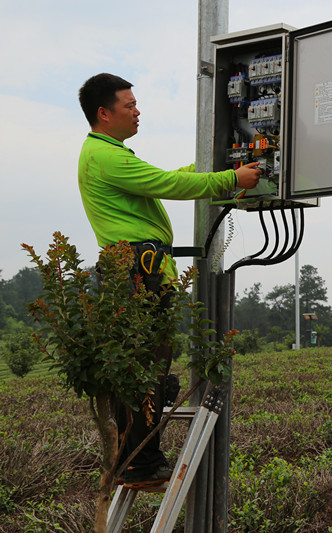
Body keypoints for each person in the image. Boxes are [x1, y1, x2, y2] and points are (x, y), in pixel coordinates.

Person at [77, 73, 262, 484]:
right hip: (135, 276)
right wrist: (230, 178)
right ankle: (140, 463)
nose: (137, 110)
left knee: (152, 370)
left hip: (139, 272)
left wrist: (215, 162)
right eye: (129, 105)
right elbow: (169, 183)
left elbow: (165, 178)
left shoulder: (111, 154)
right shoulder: (106, 157)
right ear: (104, 113)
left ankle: (139, 458)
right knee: (145, 373)